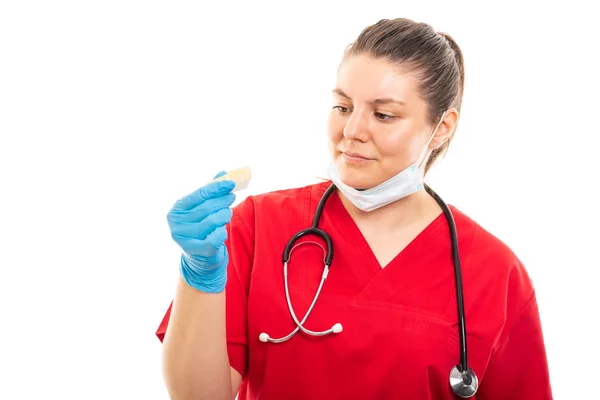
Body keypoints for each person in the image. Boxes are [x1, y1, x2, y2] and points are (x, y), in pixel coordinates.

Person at [155, 17, 553, 399]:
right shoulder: (257, 227)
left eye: (383, 115)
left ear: (442, 127)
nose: (352, 131)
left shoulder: (494, 273)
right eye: (343, 107)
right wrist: (199, 276)